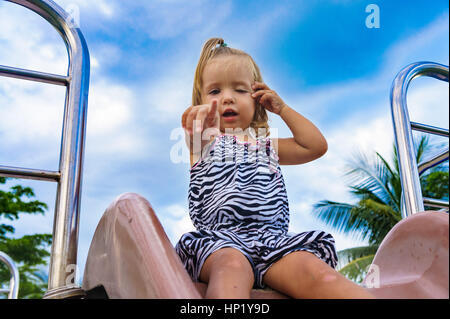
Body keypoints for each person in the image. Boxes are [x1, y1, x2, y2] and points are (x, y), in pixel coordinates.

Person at [176, 37, 375, 299]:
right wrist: (197, 129)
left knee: (315, 272)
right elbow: (197, 138)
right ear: (201, 100)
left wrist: (282, 109)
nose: (227, 99)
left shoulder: (267, 147)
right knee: (231, 267)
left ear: (258, 97)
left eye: (239, 90)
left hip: (275, 244)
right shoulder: (205, 143)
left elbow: (315, 146)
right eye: (215, 92)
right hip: (221, 243)